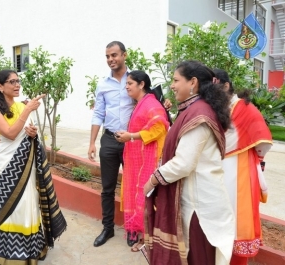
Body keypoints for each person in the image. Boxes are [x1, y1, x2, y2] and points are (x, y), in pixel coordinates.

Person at [143, 60, 235, 265]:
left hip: (199, 207)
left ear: (192, 82)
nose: (172, 85)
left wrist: (153, 181)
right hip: (197, 199)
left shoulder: (199, 114)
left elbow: (183, 163)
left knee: (198, 257)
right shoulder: (195, 109)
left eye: (176, 80)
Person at [88, 41, 172, 248]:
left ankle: (135, 228)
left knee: (137, 185)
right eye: (107, 56)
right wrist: (92, 142)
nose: (110, 60)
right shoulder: (103, 84)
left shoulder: (136, 80)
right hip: (109, 139)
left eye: (114, 55)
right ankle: (107, 228)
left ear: (124, 55)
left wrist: (165, 104)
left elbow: (154, 105)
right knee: (107, 188)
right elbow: (98, 113)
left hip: (134, 143)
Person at [0, 70, 67, 264]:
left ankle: (33, 249)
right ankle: (12, 255)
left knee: (30, 204)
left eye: (18, 81)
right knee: (14, 208)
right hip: (9, 168)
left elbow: (25, 132)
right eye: (11, 82)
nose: (17, 85)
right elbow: (10, 134)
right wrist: (27, 110)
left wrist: (31, 133)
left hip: (27, 165)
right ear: (0, 86)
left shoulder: (19, 106)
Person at [213, 69, 272, 265]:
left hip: (240, 168)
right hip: (216, 168)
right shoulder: (215, 108)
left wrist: (254, 154)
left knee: (237, 216)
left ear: (226, 85)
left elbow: (262, 140)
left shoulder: (245, 108)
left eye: (214, 86)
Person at [114, 70, 170, 252]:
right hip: (136, 159)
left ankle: (148, 238)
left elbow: (160, 127)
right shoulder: (141, 103)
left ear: (141, 84)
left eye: (130, 83)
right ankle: (139, 233)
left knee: (146, 197)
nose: (127, 86)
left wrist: (131, 136)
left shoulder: (151, 104)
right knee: (136, 194)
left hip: (148, 160)